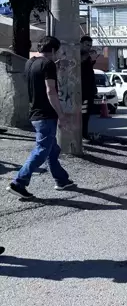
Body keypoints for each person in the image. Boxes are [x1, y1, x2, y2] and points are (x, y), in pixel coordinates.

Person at [7, 37, 75, 199]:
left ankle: (62, 179)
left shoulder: (30, 63)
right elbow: (50, 91)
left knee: (53, 149)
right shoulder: (48, 64)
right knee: (42, 149)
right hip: (46, 114)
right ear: (53, 50)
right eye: (57, 51)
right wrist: (61, 114)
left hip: (35, 112)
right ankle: (19, 182)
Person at [80, 36, 97, 141]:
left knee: (87, 113)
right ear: (81, 43)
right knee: (83, 113)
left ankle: (84, 133)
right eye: (87, 45)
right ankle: (82, 134)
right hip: (82, 89)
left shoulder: (87, 56)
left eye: (90, 46)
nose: (89, 48)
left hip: (89, 88)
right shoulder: (79, 54)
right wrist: (88, 55)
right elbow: (79, 62)